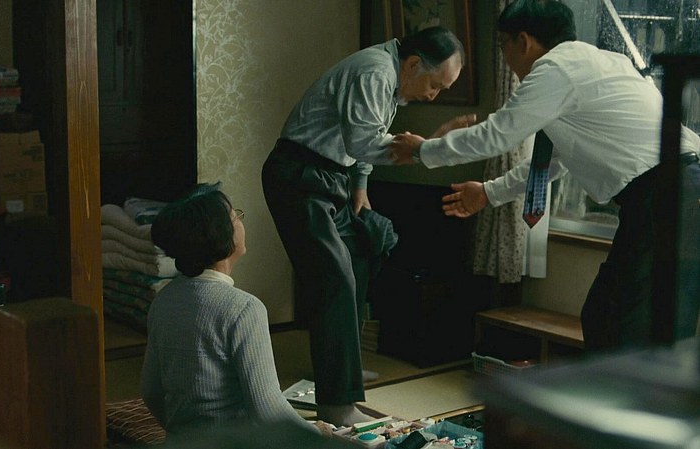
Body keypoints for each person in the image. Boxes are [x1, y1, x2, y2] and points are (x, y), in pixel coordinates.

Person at [390, 0, 700, 351]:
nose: (505, 58)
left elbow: (497, 134)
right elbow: (549, 163)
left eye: (503, 45)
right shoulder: (593, 64)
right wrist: (489, 192)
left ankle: (628, 387)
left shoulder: (556, 70)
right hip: (675, 192)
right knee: (614, 316)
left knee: (628, 324)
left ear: (523, 41)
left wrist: (422, 150)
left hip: (668, 194)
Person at [262, 26, 473, 427]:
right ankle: (336, 403)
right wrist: (428, 147)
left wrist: (359, 185)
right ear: (413, 64)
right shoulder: (375, 72)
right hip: (298, 176)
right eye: (435, 85)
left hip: (331, 179)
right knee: (333, 277)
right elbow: (362, 142)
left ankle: (343, 368)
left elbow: (362, 139)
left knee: (361, 252)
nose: (434, 96)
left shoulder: (391, 76)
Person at [141, 183, 319, 435]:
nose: (241, 222)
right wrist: (319, 435)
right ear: (221, 234)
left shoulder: (164, 300)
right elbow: (269, 409)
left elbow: (151, 392)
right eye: (236, 216)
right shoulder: (244, 308)